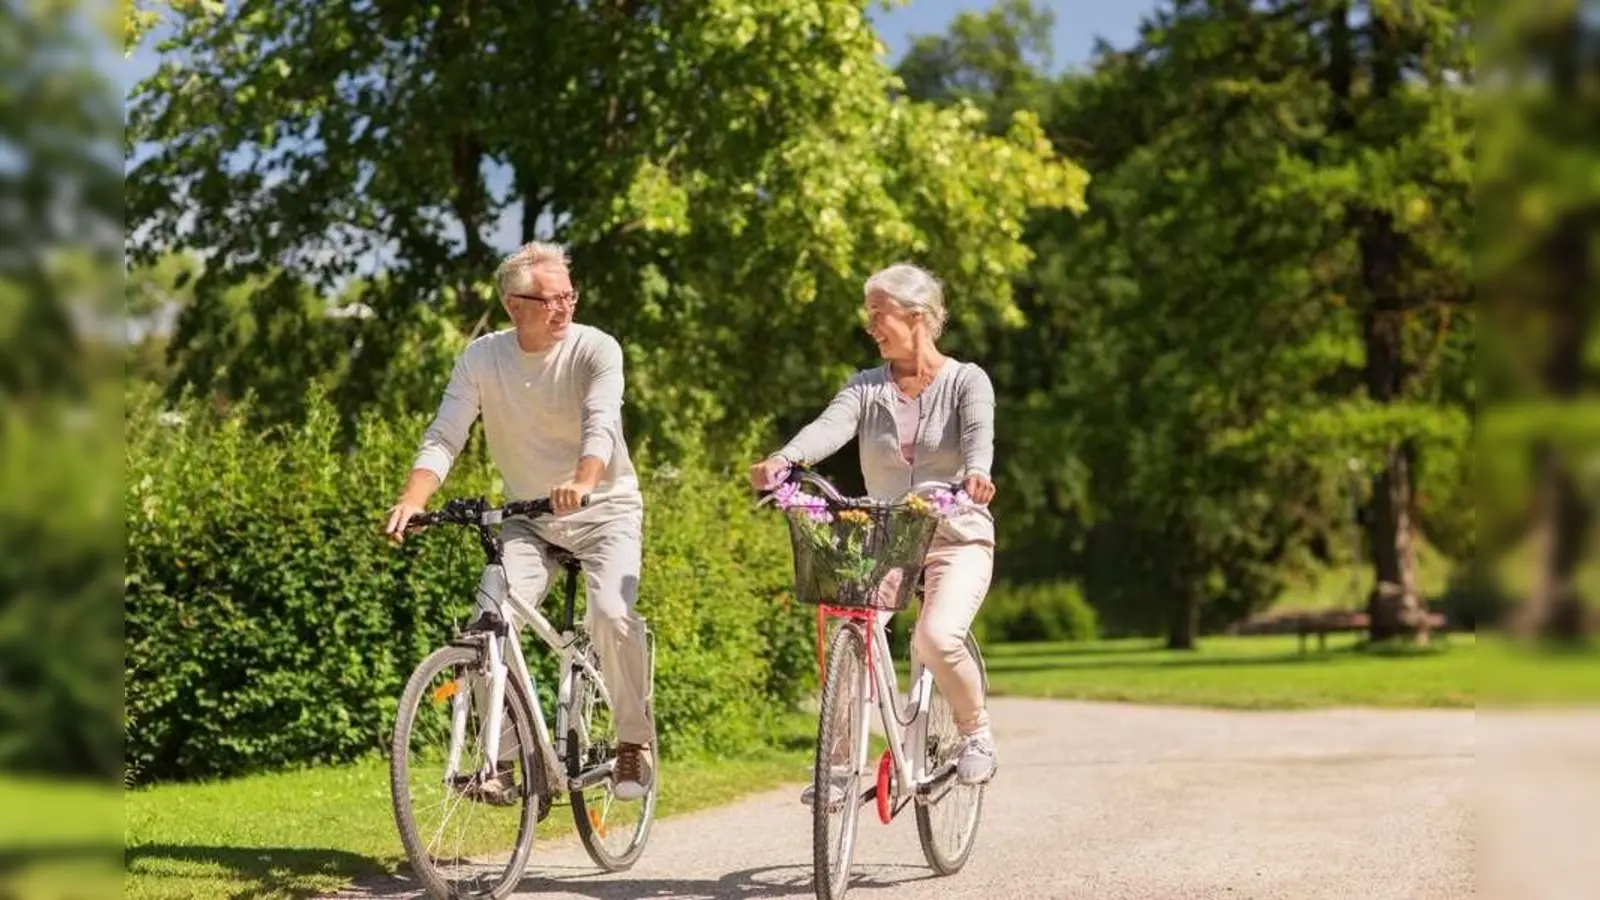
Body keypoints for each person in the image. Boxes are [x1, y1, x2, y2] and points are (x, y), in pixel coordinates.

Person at [385, 241, 655, 801]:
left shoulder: (595, 349)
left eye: (569, 296)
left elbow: (601, 422)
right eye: (550, 299)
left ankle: (634, 742)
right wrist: (413, 498)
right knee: (489, 618)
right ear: (513, 304)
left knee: (610, 612)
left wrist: (583, 480)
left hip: (604, 510)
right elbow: (445, 434)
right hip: (529, 519)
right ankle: (501, 761)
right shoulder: (483, 358)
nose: (564, 308)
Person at [749, 262, 1000, 803]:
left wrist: (977, 474)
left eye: (878, 316)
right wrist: (784, 459)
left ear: (916, 317)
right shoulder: (865, 388)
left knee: (935, 639)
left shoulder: (965, 381)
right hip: (887, 539)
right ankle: (841, 767)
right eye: (870, 318)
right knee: (852, 631)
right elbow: (829, 427)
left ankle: (976, 732)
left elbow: (979, 437)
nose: (872, 328)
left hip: (956, 534)